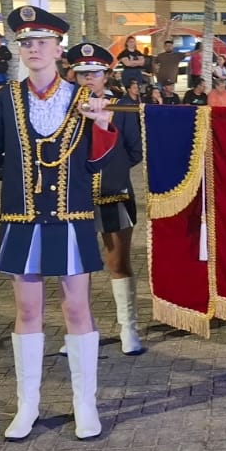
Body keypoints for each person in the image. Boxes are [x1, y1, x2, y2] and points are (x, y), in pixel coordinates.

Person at [0, 6, 118, 442]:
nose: (33, 49)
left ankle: (85, 404)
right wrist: (22, 183)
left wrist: (103, 126)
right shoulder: (6, 98)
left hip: (72, 217)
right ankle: (28, 405)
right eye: (26, 43)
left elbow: (100, 163)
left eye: (42, 42)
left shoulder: (84, 100)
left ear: (59, 50)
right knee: (27, 310)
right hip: (21, 219)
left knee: (77, 308)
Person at [66, 42, 147, 356]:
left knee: (118, 262)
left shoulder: (124, 106)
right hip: (75, 196)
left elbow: (135, 151)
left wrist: (111, 166)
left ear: (106, 75)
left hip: (114, 192)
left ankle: (128, 328)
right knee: (76, 266)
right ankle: (79, 330)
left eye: (95, 73)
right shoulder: (64, 107)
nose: (88, 78)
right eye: (82, 73)